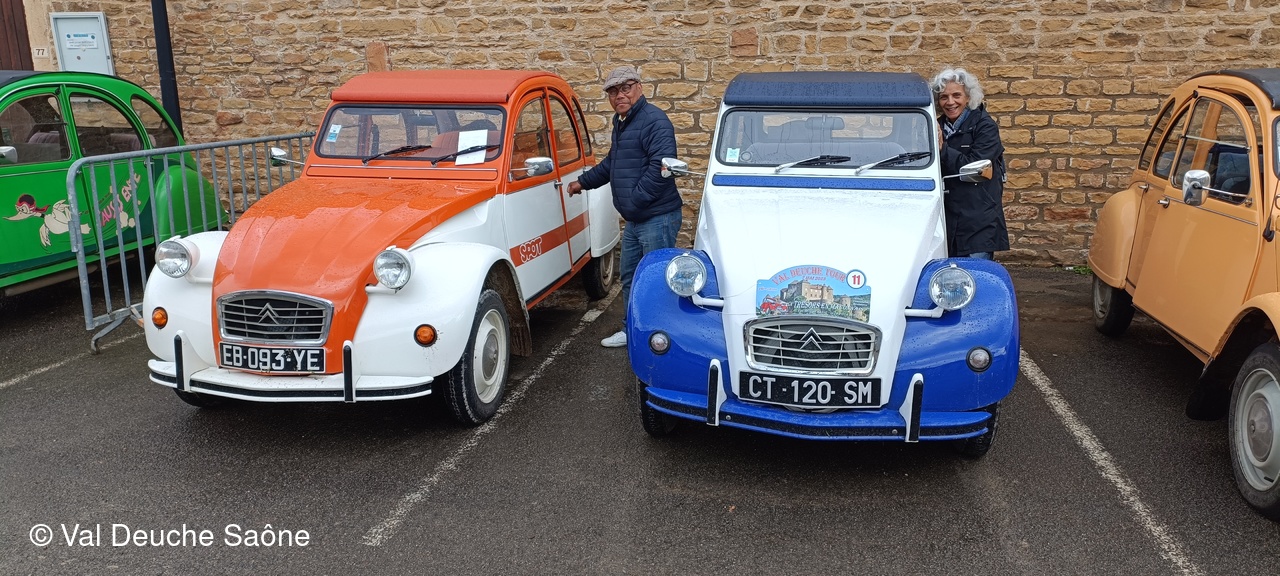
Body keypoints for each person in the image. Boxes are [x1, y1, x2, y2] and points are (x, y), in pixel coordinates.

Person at [569, 65, 683, 348]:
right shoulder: (622, 123)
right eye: (613, 91)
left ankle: (660, 338)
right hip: (636, 219)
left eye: (625, 88)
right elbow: (613, 163)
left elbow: (661, 169)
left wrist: (633, 201)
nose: (619, 95)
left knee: (656, 280)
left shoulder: (654, 121)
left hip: (657, 217)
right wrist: (582, 182)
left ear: (639, 88)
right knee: (630, 277)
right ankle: (633, 331)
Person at [932, 67, 1008, 260]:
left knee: (973, 274)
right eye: (944, 97)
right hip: (947, 219)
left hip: (978, 220)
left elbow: (975, 166)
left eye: (956, 95)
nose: (950, 102)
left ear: (968, 97)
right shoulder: (935, 125)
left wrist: (943, 149)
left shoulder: (985, 126)